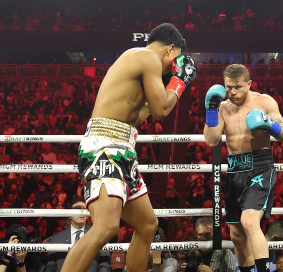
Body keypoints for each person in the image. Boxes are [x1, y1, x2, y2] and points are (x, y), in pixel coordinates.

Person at [61, 23, 196, 272]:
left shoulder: (139, 62)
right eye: (174, 62)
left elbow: (139, 117)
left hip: (122, 147)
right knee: (106, 227)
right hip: (105, 146)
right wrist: (179, 82)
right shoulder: (147, 57)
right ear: (170, 50)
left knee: (147, 225)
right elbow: (162, 110)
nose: (171, 68)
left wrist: (159, 92)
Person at [203, 64, 283, 272]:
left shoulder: (264, 101)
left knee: (250, 221)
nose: (232, 92)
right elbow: (211, 140)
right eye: (228, 87)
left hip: (259, 166)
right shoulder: (223, 107)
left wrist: (270, 124)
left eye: (238, 87)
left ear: (249, 84)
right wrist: (211, 110)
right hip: (234, 170)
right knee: (236, 234)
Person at [44, 199, 110, 272]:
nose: (81, 212)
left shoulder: (99, 234)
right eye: (77, 209)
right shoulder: (57, 238)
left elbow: (104, 264)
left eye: (84, 209)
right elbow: (51, 266)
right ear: (69, 215)